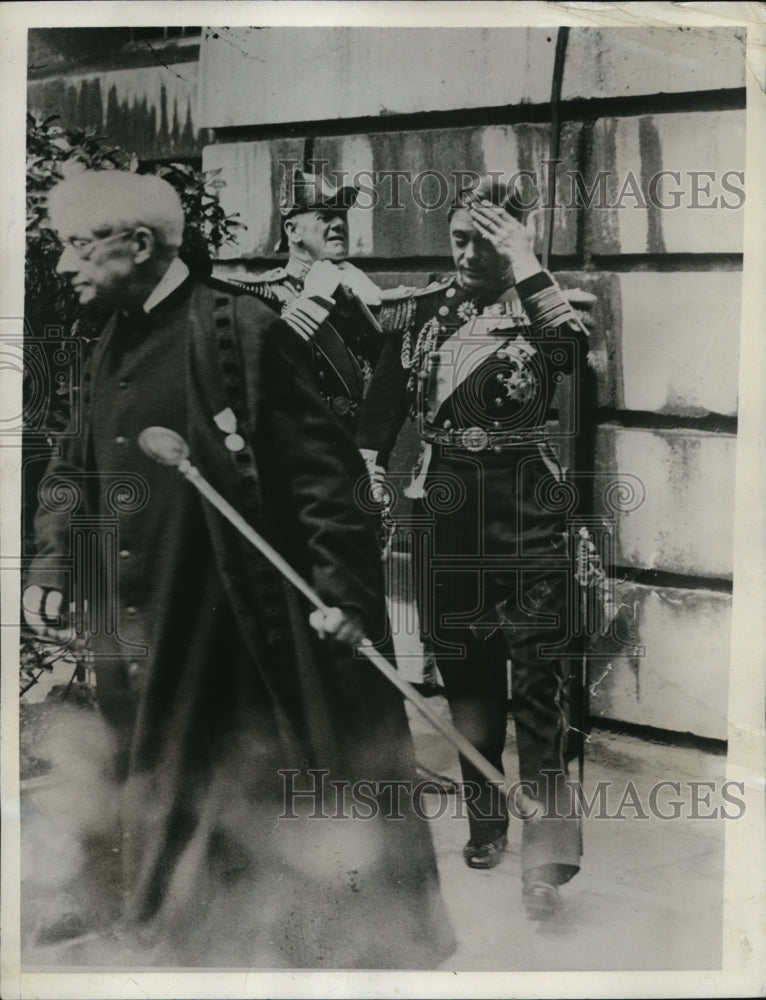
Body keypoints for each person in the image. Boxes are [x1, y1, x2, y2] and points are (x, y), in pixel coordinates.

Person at [22, 170, 455, 967]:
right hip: (136, 626)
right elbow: (71, 465)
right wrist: (51, 560)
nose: (62, 267)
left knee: (256, 808)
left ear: (139, 244)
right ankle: (164, 926)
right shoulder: (110, 337)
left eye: (79, 248)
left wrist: (342, 600)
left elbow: (333, 487)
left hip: (228, 630)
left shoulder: (237, 330)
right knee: (150, 785)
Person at [356, 174, 591, 921]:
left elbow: (571, 370)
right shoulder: (424, 312)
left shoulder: (550, 308)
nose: (461, 253)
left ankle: (548, 859)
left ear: (511, 243)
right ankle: (486, 820)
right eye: (456, 239)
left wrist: (525, 258)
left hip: (527, 508)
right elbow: (384, 403)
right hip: (444, 503)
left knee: (540, 686)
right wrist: (367, 461)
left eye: (479, 242)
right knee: (464, 673)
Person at [230, 166, 384, 435]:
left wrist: (376, 305)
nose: (338, 224)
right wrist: (314, 300)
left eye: (342, 216)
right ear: (293, 231)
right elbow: (256, 366)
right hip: (296, 450)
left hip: (351, 448)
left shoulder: (355, 289)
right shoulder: (265, 294)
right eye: (325, 216)